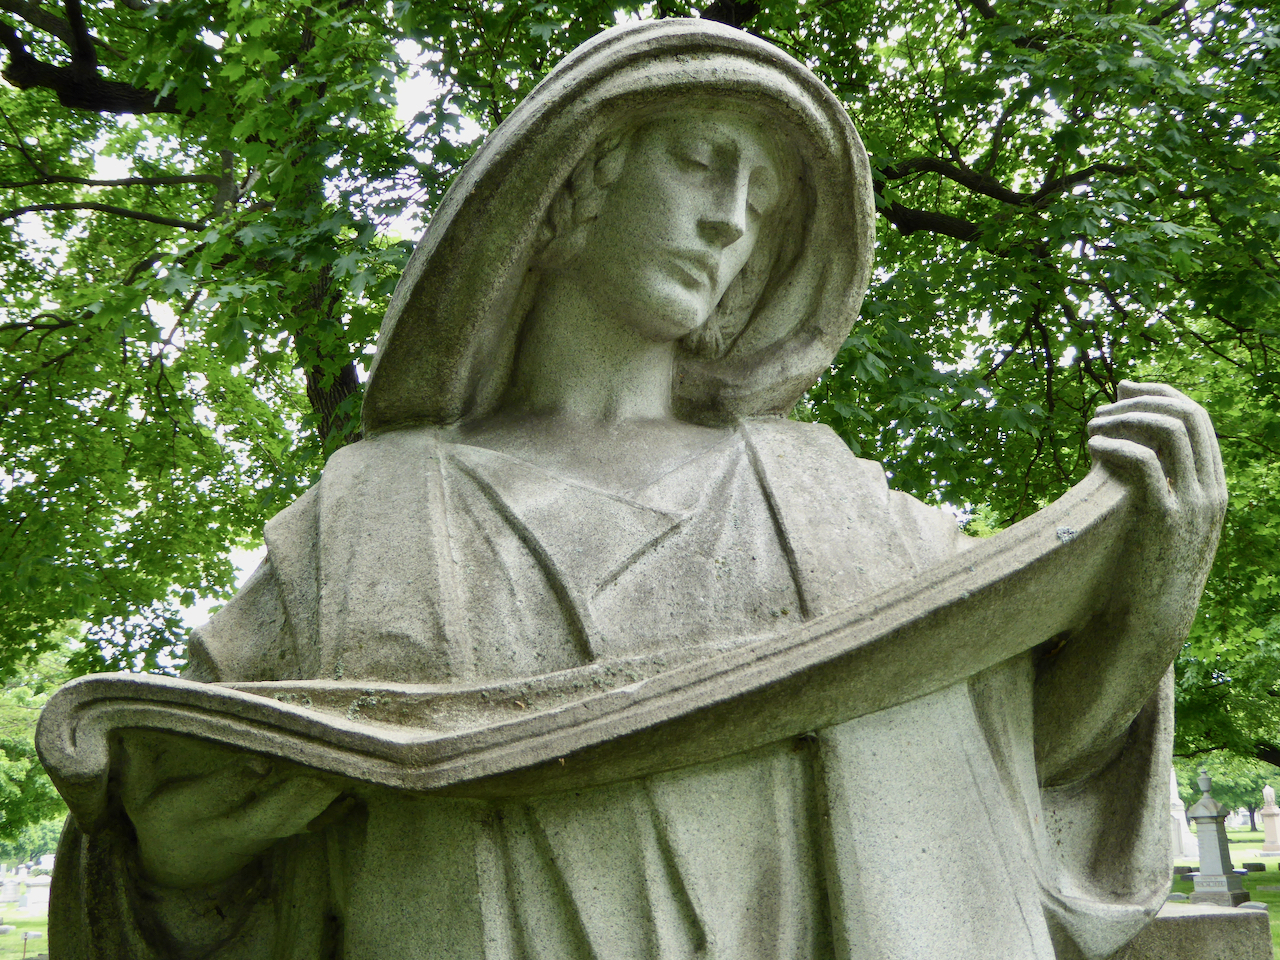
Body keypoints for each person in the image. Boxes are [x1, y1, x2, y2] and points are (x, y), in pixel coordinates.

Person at [47, 19, 1225, 960]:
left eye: (761, 203)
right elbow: (184, 860)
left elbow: (1020, 757)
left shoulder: (836, 504)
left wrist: (1144, 600)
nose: (729, 221)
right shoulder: (370, 514)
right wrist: (178, 866)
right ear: (573, 184)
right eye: (701, 162)